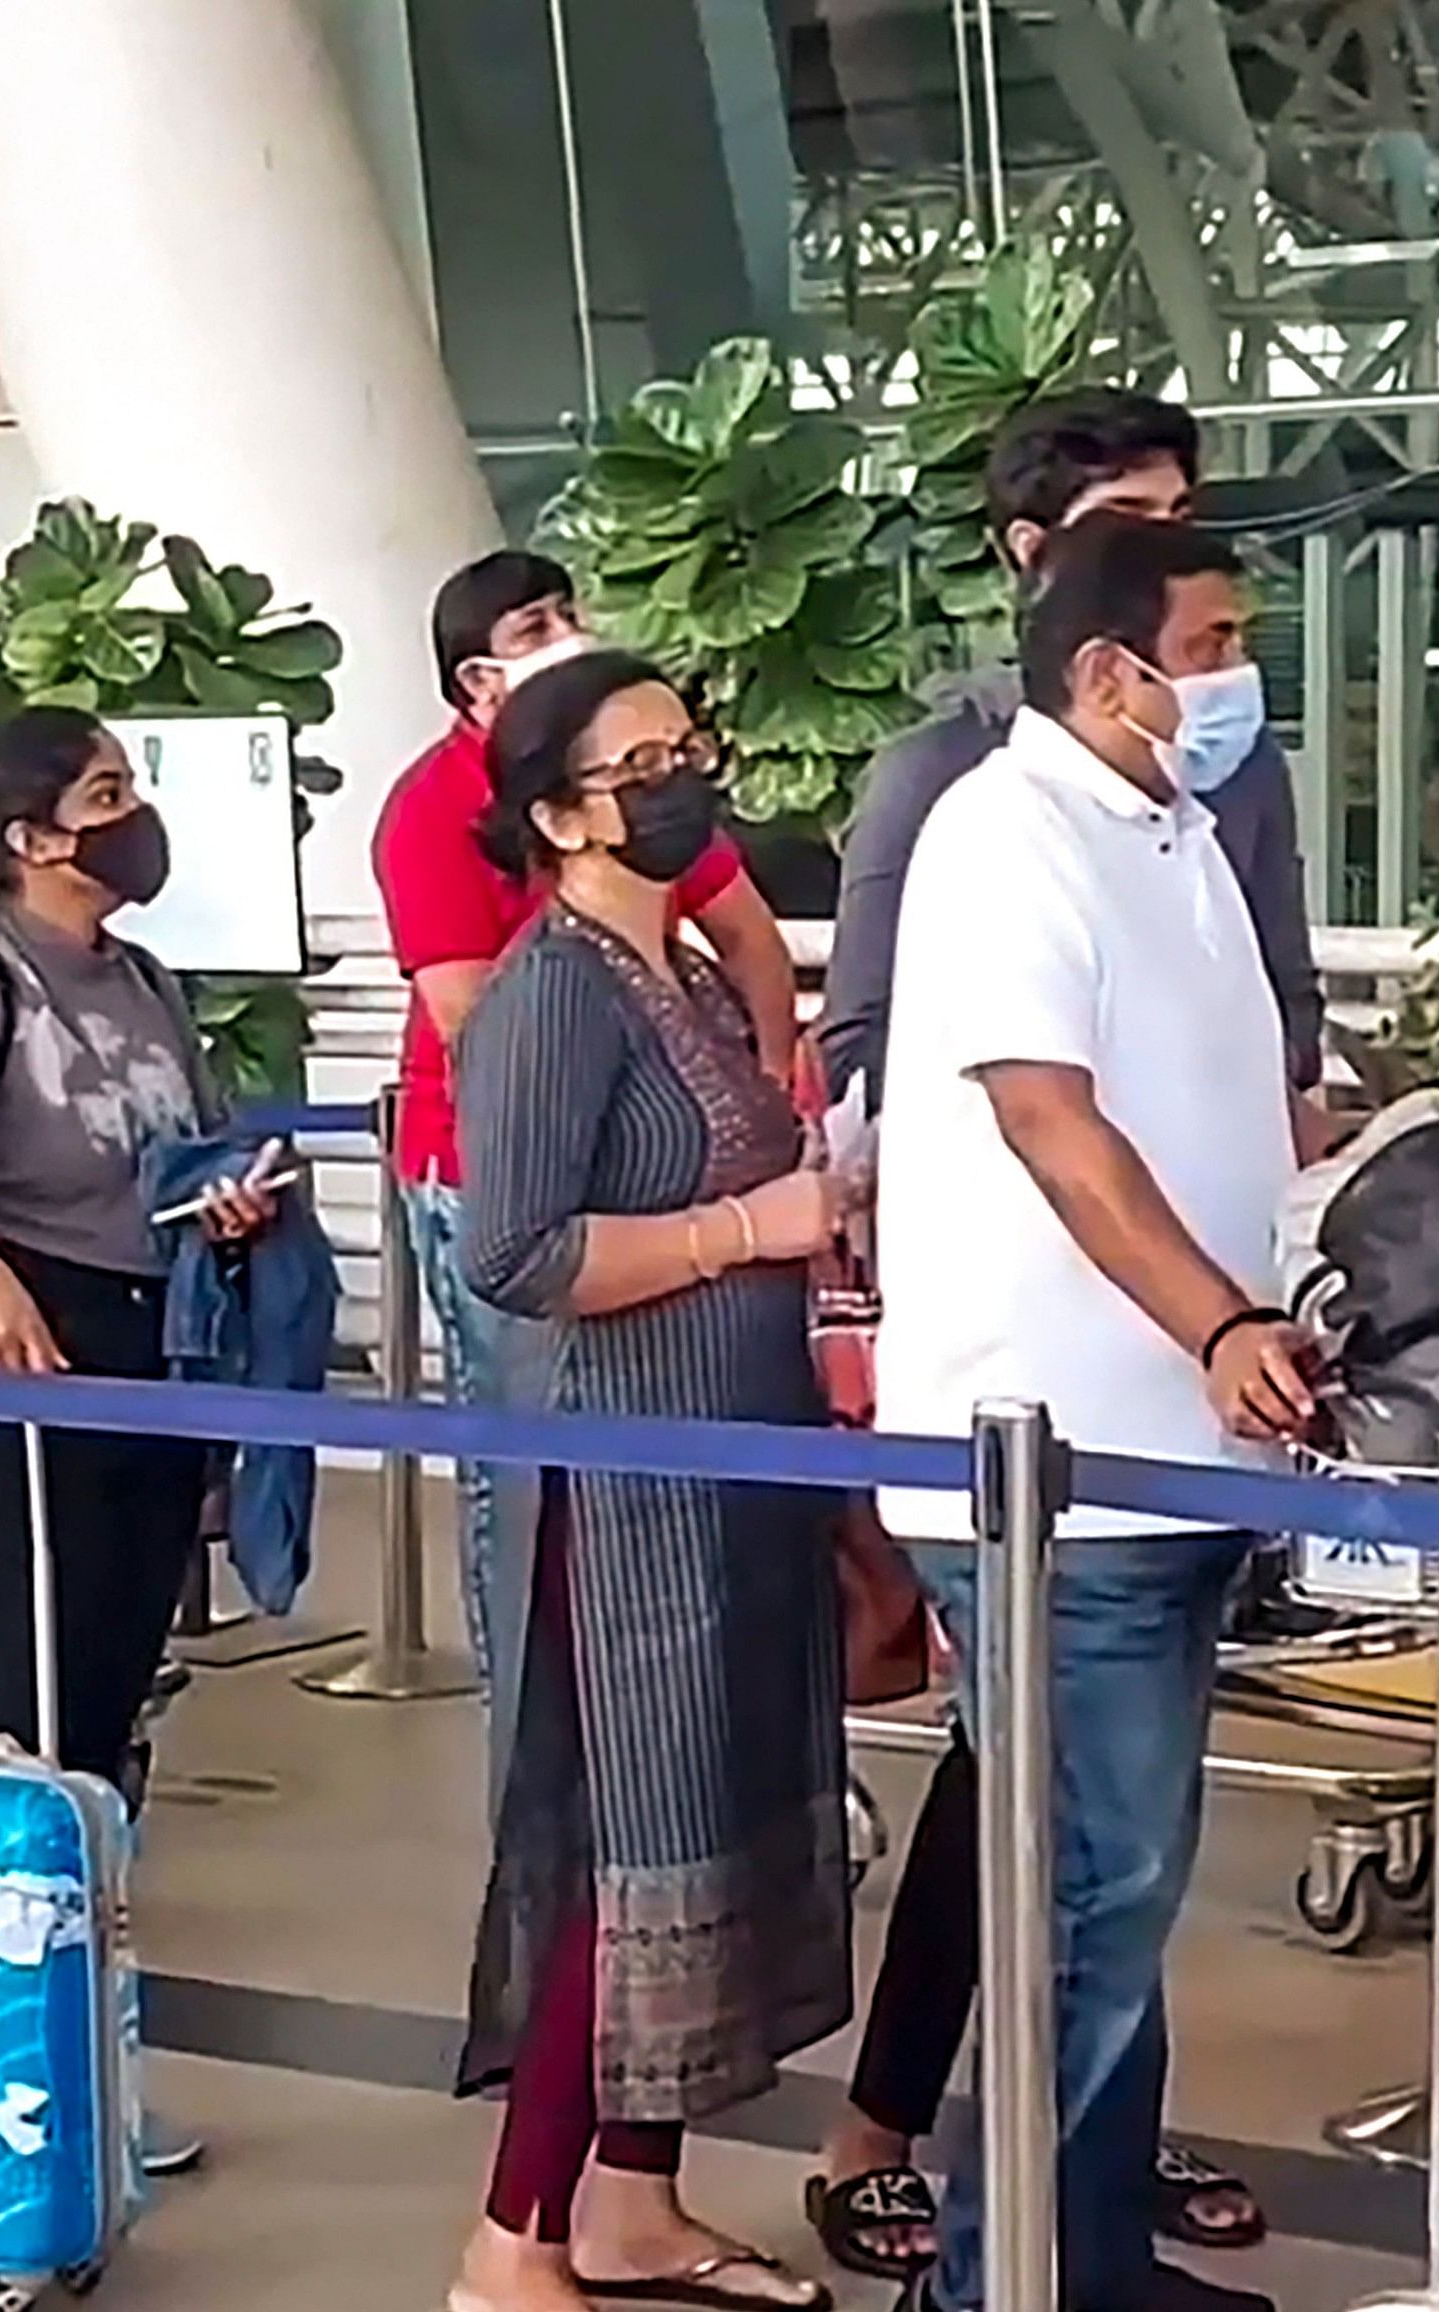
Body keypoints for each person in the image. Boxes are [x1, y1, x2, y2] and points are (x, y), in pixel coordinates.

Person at [807, 391, 1298, 2276]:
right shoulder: (1004, 829)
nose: (1240, 679)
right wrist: (1223, 1312)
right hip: (1056, 1464)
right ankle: (1004, 2271)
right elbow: (1047, 1117)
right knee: (1090, 1892)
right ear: (1110, 667)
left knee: (1117, 1890)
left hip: (1173, 1455)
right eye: (1218, 650)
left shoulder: (1164, 824)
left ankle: (1077, 2251)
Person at [445, 652, 852, 2312]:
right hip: (625, 1499)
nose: (688, 777)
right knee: (625, 1859)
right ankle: (510, 2238)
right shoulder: (555, 990)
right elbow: (517, 1252)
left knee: (705, 1832)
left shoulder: (666, 962)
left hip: (724, 1475)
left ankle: (631, 2199)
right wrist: (746, 1233)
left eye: (695, 745)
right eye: (645, 762)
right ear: (555, 814)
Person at [374, 549, 801, 1685]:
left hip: (660, 1163)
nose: (566, 631)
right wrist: (738, 1212)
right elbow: (473, 1022)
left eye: (569, 610)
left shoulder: (636, 786)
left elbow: (750, 934)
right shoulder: (434, 819)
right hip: (491, 1161)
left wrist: (764, 1095)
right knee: (529, 1487)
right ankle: (546, 1736)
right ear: (475, 680)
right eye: (532, 625)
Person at [0, 706, 268, 1788]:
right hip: (17, 1361)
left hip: (147, 1349)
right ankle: (1, 1925)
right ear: (31, 838)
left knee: (115, 1676)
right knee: (16, 1687)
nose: (137, 819)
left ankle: (91, 1901)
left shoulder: (145, 978)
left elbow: (174, 1149)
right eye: (106, 798)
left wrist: (222, 1204)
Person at [823, 388, 1322, 1104]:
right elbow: (863, 1039)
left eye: (1180, 517)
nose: (1168, 550)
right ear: (1032, 553)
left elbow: (1287, 993)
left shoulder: (1234, 759)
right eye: (1129, 522)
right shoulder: (941, 779)